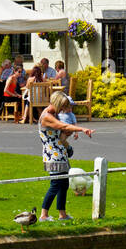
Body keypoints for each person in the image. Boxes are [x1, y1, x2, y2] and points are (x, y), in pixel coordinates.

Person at [38, 92, 93, 222]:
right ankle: (43, 214)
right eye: (62, 106)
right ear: (57, 103)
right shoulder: (47, 116)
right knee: (55, 184)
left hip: (60, 153)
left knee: (64, 184)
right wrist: (82, 129)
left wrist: (68, 138)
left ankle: (62, 214)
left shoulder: (54, 114)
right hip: (53, 155)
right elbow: (63, 126)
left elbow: (61, 133)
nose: (63, 110)